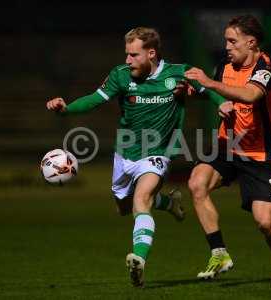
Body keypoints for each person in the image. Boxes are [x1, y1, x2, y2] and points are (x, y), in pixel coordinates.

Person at [46, 27, 225, 287]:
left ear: (151, 53)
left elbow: (207, 89)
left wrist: (222, 103)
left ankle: (139, 259)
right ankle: (168, 203)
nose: (127, 60)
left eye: (133, 55)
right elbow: (94, 100)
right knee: (123, 207)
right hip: (125, 153)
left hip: (157, 153)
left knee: (141, 199)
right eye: (126, 55)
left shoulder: (179, 73)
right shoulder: (121, 75)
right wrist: (66, 109)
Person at [184, 15, 271, 286]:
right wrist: (193, 89)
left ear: (251, 42)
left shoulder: (266, 66)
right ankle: (219, 253)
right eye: (226, 40)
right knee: (197, 184)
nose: (227, 46)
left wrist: (209, 84)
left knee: (265, 223)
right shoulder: (225, 65)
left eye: (232, 41)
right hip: (228, 144)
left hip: (259, 153)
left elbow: (250, 95)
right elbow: (215, 92)